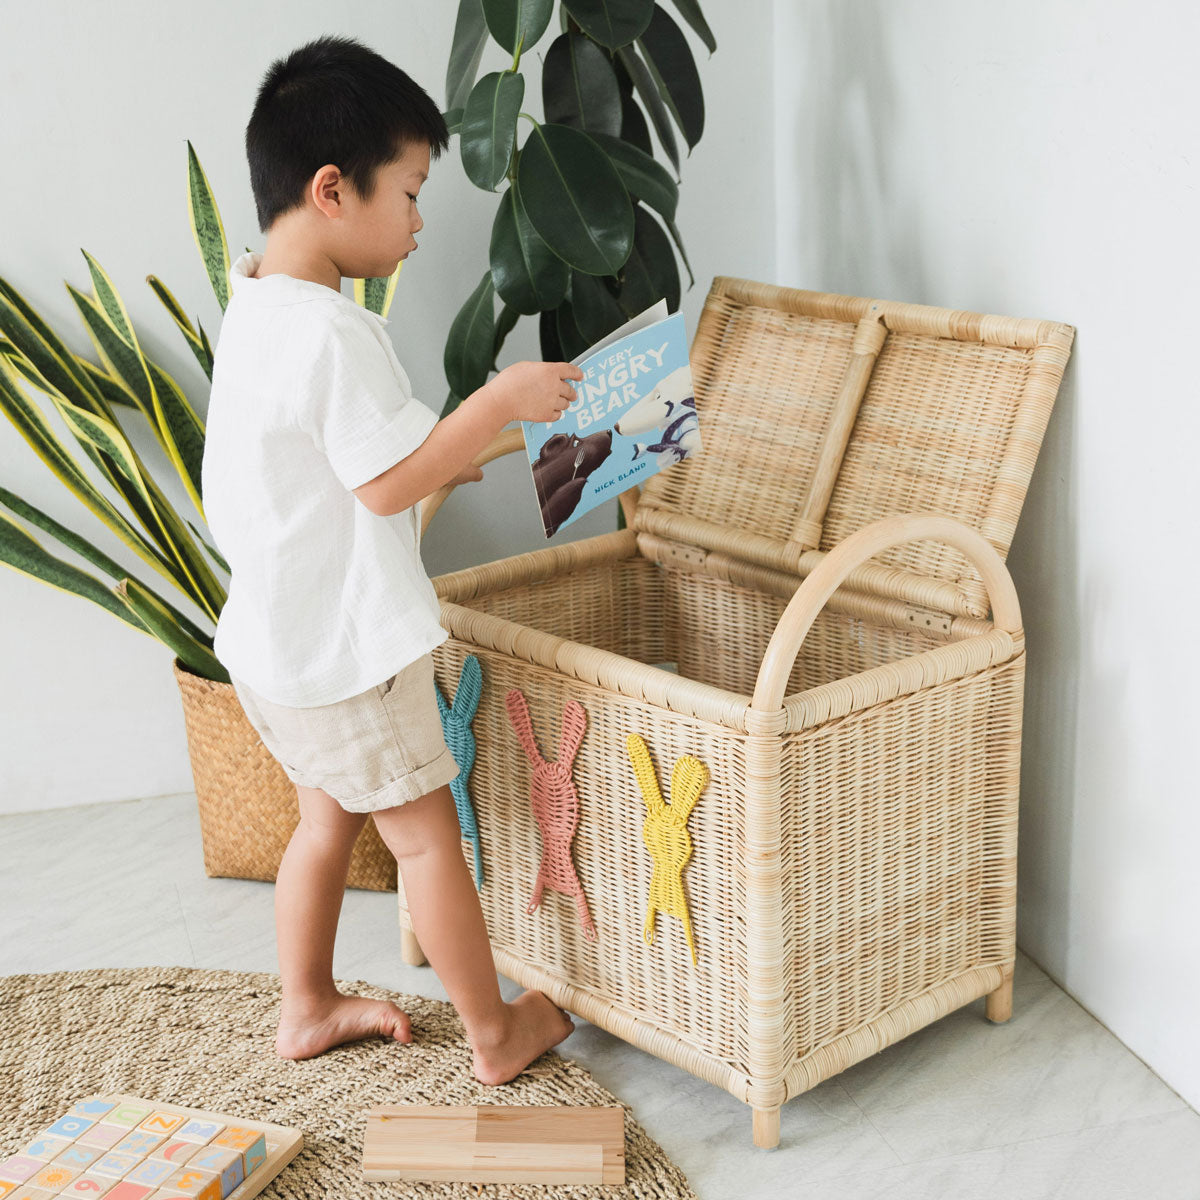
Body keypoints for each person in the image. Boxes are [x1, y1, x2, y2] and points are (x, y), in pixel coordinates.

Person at [200, 34, 582, 1085]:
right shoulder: (335, 333)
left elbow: (334, 465)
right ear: (333, 189)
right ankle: (498, 1036)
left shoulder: (258, 309)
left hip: (276, 655)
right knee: (423, 843)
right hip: (349, 660)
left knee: (322, 822)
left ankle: (307, 1004)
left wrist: (446, 456)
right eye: (410, 193)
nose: (419, 221)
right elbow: (382, 484)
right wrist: (499, 402)